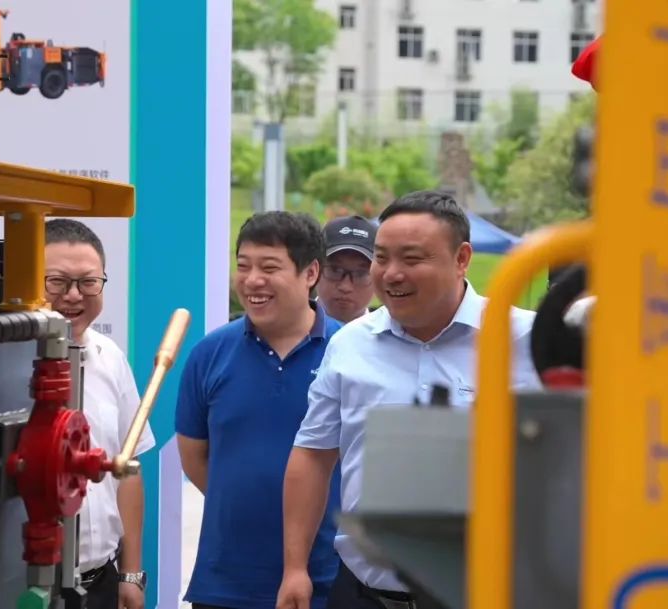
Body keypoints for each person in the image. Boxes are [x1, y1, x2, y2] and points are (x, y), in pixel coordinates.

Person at [275, 191, 542, 609]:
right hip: (362, 594)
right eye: (381, 258)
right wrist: (295, 567)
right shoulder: (349, 345)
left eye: (412, 259)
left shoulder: (527, 341)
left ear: (462, 258)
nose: (392, 274)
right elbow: (312, 455)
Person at [176, 211, 344, 609]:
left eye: (269, 268)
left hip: (328, 580)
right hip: (225, 582)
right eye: (243, 266)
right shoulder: (209, 353)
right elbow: (195, 457)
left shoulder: (348, 351)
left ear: (310, 273)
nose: (252, 280)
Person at [43, 218, 155, 609]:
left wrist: (131, 574)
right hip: (21, 585)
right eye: (57, 282)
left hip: (100, 584)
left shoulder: (110, 357)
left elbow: (128, 469)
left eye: (88, 282)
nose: (73, 295)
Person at [317, 216, 377, 324]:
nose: (345, 287)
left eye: (361, 274)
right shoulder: (287, 326)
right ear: (314, 270)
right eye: (335, 270)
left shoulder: (396, 333)